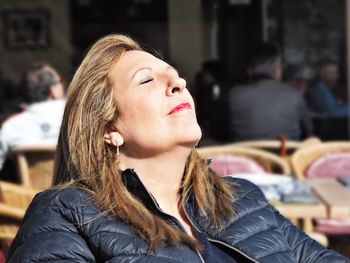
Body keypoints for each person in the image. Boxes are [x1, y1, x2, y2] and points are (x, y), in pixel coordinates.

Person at [7, 35, 349, 262]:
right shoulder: (66, 213)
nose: (179, 83)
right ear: (108, 129)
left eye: (175, 75)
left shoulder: (240, 198)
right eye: (147, 79)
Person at [221, 42, 313, 141]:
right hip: (286, 155)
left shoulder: (233, 95)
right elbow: (308, 133)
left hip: (245, 155)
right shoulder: (294, 95)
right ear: (276, 70)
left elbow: (220, 132)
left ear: (249, 70)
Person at [0, 63, 66, 171]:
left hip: (30, 188)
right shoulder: (75, 117)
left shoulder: (11, 126)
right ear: (53, 90)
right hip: (73, 186)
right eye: (60, 82)